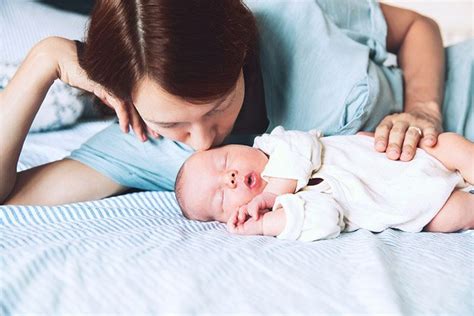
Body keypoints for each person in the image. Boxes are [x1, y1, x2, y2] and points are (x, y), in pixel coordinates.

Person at [1, 0, 472, 205]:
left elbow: (416, 28)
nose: (203, 141)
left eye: (218, 105)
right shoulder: (142, 142)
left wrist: (423, 109)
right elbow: (11, 196)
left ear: (241, 52)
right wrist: (43, 61)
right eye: (174, 124)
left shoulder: (289, 14)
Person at [174, 127, 473, 241]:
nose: (229, 178)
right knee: (453, 215)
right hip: (411, 202)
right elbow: (327, 220)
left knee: (451, 145)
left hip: (409, 157)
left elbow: (305, 147)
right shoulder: (288, 211)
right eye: (221, 199)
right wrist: (266, 224)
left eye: (224, 162)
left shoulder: (277, 144)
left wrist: (273, 191)